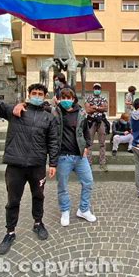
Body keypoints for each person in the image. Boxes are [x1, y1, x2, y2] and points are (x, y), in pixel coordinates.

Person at [0, 67, 59, 255]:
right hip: (15, 165)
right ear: (28, 94)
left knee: (38, 196)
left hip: (37, 166)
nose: (36, 95)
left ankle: (38, 223)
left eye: (40, 94)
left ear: (44, 96)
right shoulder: (15, 111)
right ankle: (10, 232)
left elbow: (53, 141)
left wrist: (53, 163)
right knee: (12, 201)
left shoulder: (48, 117)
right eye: (33, 93)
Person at [52, 88, 96, 227]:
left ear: (73, 99)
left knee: (88, 182)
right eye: (63, 97)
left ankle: (83, 209)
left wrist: (87, 147)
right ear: (58, 98)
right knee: (63, 186)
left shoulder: (81, 112)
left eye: (68, 97)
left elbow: (85, 132)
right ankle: (65, 211)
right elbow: (40, 106)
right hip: (63, 156)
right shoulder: (55, 112)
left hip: (80, 156)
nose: (66, 100)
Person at [85, 83, 109, 172]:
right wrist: (100, 108)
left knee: (102, 143)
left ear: (100, 89)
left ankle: (102, 163)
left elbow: (106, 109)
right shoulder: (88, 98)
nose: (97, 89)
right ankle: (88, 163)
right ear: (93, 88)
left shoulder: (103, 98)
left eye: (98, 88)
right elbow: (88, 110)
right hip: (91, 121)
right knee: (89, 143)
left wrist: (94, 107)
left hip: (101, 121)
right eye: (95, 88)